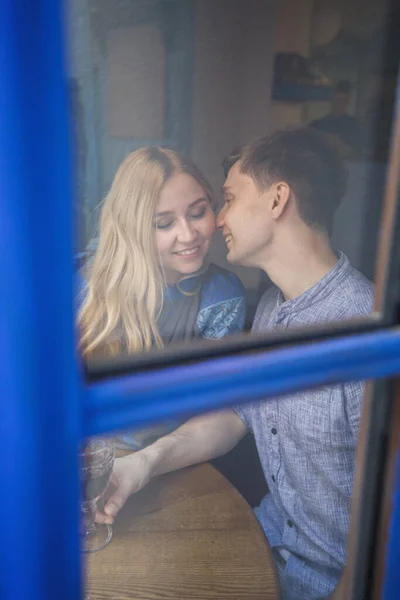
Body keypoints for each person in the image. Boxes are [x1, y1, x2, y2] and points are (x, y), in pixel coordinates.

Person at [95, 129, 373, 599]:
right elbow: (238, 414)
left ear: (277, 200)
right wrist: (144, 463)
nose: (217, 218)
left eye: (226, 199)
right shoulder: (268, 310)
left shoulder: (365, 329)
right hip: (264, 545)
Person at [78, 146, 245, 449]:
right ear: (134, 229)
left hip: (171, 457)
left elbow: (211, 408)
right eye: (164, 223)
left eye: (197, 213)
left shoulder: (221, 294)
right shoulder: (83, 287)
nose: (188, 234)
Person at [310, 79, 363, 158]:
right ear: (331, 100)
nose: (339, 103)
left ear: (347, 101)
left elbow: (356, 154)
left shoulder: (355, 126)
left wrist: (337, 143)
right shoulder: (317, 125)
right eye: (337, 99)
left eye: (342, 99)